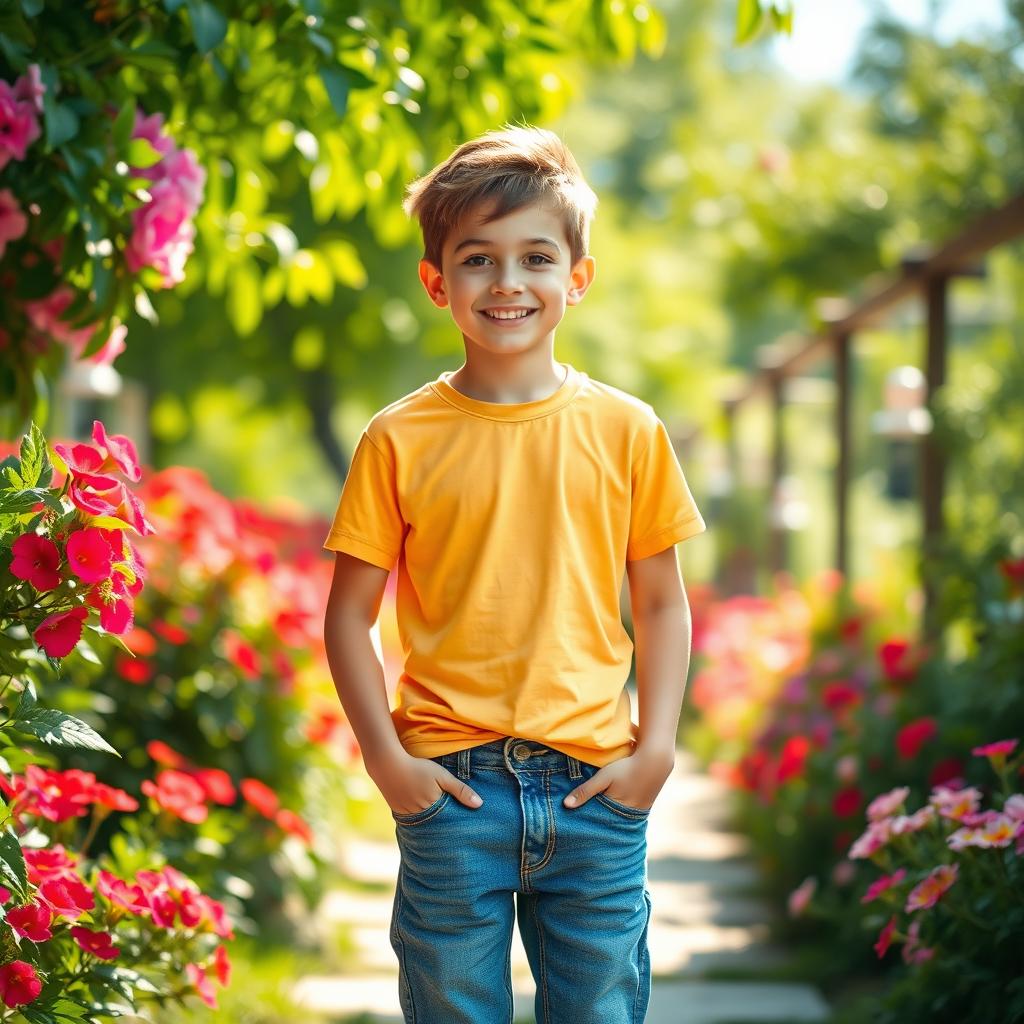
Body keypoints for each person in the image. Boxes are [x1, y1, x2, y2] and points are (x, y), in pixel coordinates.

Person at [321, 123, 706, 1024]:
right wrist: (387, 761)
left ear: (578, 277)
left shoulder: (629, 430)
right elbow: (348, 618)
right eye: (477, 260)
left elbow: (660, 602)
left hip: (596, 786)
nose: (507, 283)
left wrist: (657, 748)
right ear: (436, 282)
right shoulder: (396, 438)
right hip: (452, 791)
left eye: (536, 257)